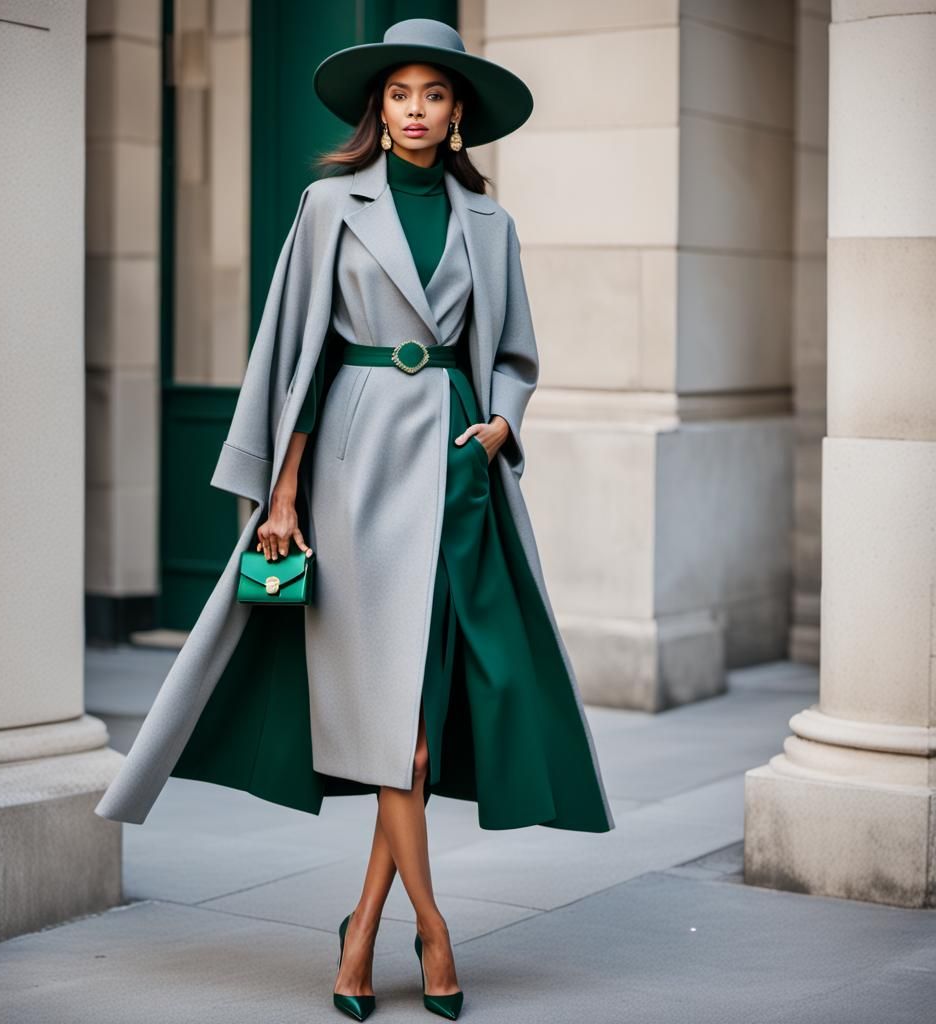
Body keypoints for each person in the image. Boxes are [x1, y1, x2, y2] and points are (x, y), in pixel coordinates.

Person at [94, 17, 614, 1023]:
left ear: (459, 111)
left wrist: (503, 421)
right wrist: (281, 497)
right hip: (350, 466)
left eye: (434, 95)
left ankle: (367, 930)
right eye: (399, 94)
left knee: (410, 738)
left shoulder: (488, 223)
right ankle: (429, 929)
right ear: (378, 109)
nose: (416, 110)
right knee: (393, 737)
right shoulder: (329, 204)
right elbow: (295, 354)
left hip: (457, 472)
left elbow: (510, 349)